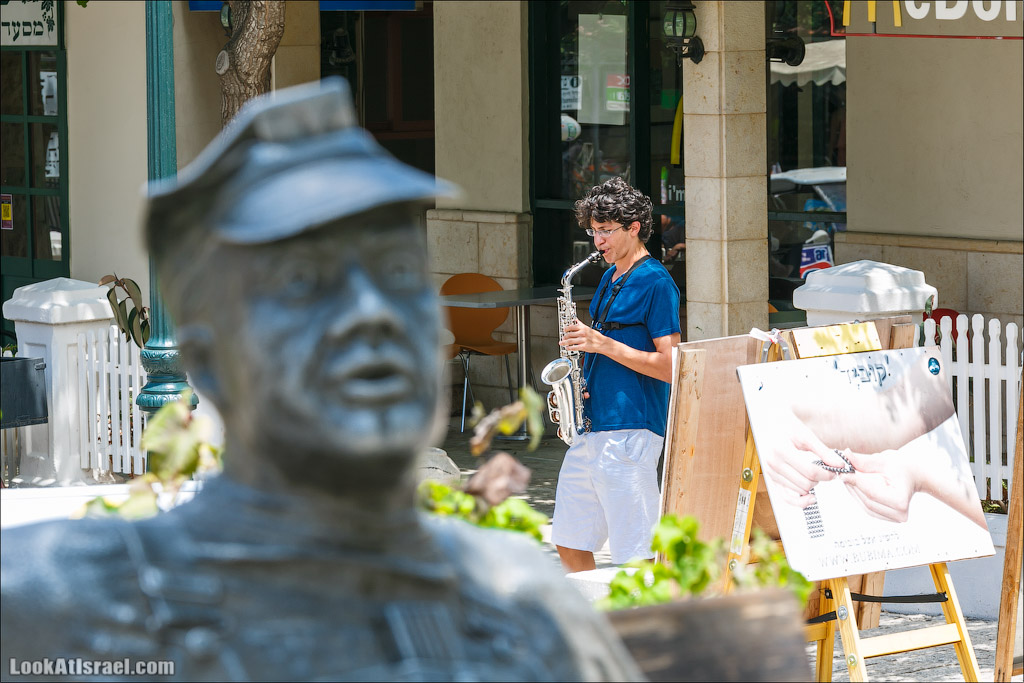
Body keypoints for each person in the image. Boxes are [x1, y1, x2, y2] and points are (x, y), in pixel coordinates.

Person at [0, 79, 642, 681]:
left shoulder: (525, 612)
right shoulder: (49, 604)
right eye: (306, 282)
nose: (372, 313)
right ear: (211, 359)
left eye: (397, 274)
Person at [552, 177, 681, 573]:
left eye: (606, 230)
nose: (598, 241)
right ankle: (592, 611)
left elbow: (672, 366)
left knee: (636, 555)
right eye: (594, 231)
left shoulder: (657, 282)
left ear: (634, 227)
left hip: (631, 430)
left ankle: (642, 614)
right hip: (593, 426)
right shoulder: (610, 277)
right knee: (568, 541)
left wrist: (601, 344)